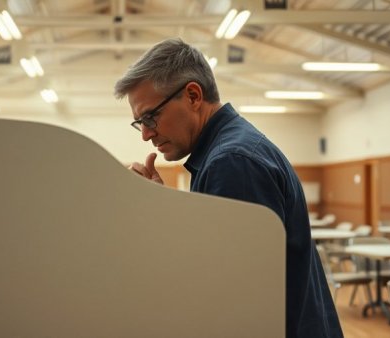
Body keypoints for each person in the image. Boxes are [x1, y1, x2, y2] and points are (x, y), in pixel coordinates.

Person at [114, 38, 343, 338]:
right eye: (139, 123)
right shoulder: (229, 152)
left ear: (193, 95)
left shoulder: (232, 163)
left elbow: (231, 298)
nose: (145, 134)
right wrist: (166, 209)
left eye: (150, 117)